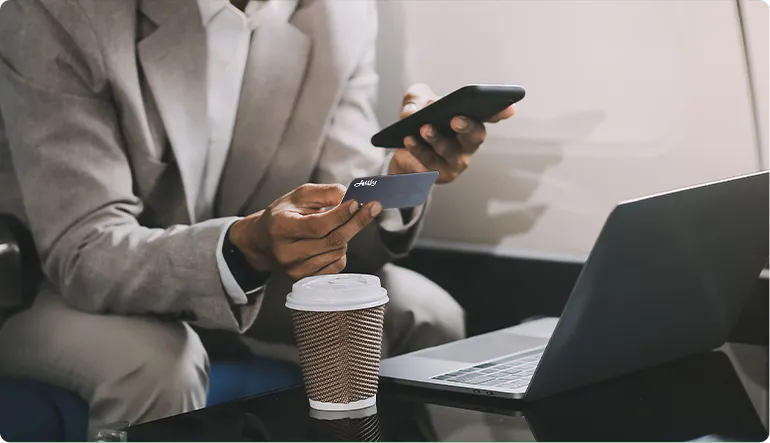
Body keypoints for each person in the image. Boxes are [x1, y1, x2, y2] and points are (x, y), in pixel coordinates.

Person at [0, 0, 515, 428]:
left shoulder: (340, 13)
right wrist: (244, 246)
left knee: (426, 314)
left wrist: (400, 178)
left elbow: (338, 215)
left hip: (241, 275)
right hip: (46, 286)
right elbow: (84, 249)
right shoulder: (63, 11)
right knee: (156, 364)